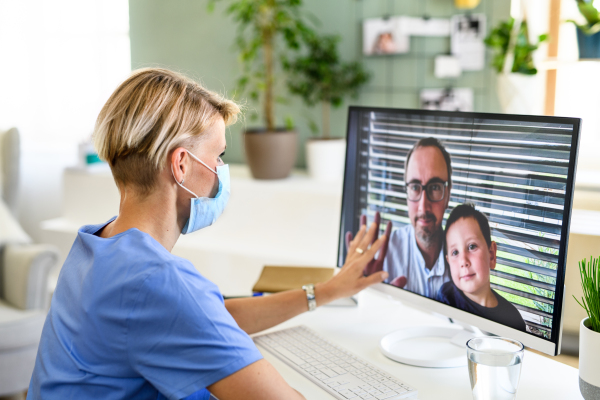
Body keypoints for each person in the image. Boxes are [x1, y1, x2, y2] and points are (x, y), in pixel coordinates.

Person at [27, 68, 389, 400]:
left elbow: (206, 317)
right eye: (218, 156)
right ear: (181, 164)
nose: (220, 172)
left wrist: (326, 292)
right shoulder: (155, 279)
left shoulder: (98, 244)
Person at [437, 204, 527, 332]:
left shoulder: (512, 320)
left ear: (491, 255)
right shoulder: (446, 296)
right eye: (455, 252)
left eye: (472, 246)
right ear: (448, 262)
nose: (463, 261)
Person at [381, 137, 452, 298]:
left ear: (447, 194)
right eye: (414, 187)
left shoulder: (465, 261)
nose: (423, 206)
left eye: (434, 187)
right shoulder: (384, 257)